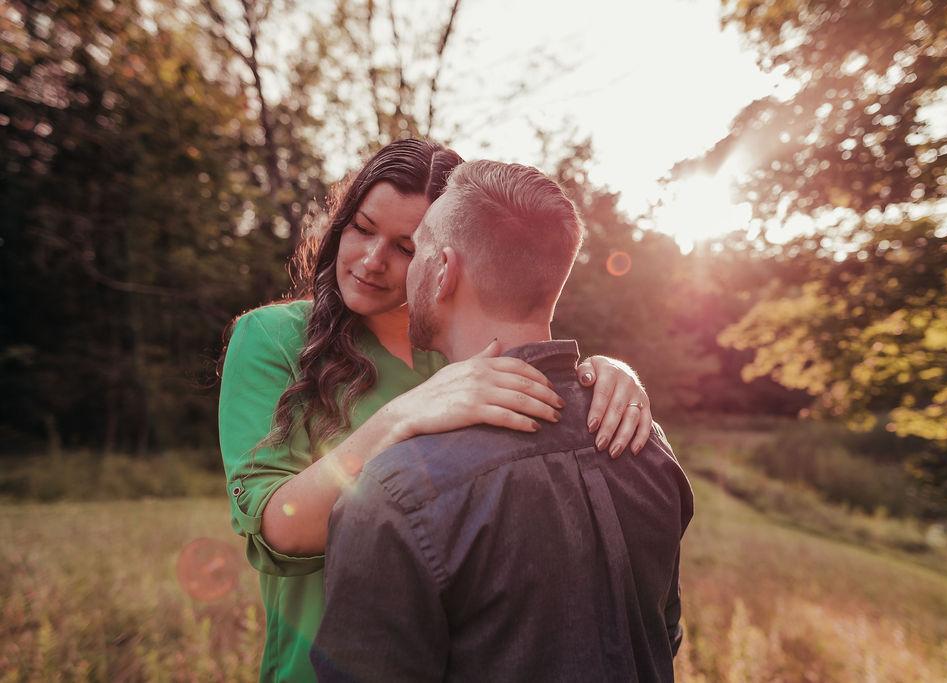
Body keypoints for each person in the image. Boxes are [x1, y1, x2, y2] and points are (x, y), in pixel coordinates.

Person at [218, 139, 656, 683]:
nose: (372, 261)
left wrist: (606, 372)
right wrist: (399, 418)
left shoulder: (454, 343)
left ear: (441, 255)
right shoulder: (273, 338)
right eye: (361, 228)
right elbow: (277, 529)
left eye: (405, 247)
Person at [312, 160, 694, 681]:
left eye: (416, 248)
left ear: (443, 271)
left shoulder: (395, 493)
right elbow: (660, 638)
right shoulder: (645, 444)